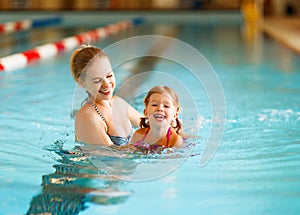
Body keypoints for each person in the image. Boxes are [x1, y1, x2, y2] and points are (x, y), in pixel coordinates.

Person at [70, 45, 142, 146]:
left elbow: (148, 124)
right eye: (97, 80)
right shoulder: (88, 117)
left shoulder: (117, 103)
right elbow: (113, 157)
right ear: (81, 82)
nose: (107, 84)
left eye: (109, 75)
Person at [131, 85, 183, 152]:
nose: (160, 108)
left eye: (166, 106)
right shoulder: (138, 135)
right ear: (145, 112)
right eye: (154, 105)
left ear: (175, 115)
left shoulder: (176, 141)